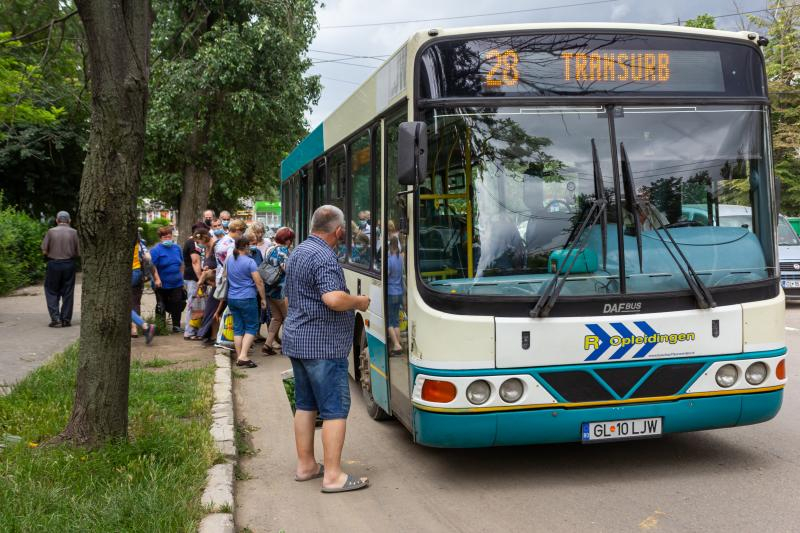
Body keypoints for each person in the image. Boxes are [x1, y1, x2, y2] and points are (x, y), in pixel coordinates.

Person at [283, 205, 370, 493]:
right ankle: (333, 476)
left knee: (306, 405)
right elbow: (333, 299)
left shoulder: (299, 251)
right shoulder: (324, 256)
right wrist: (358, 302)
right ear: (339, 231)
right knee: (334, 409)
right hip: (323, 345)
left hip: (298, 340)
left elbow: (290, 297)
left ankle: (306, 465)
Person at [224, 237, 267, 368]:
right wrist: (263, 298)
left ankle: (239, 357)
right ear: (246, 247)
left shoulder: (229, 259)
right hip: (247, 298)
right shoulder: (250, 262)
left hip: (232, 298)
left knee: (238, 328)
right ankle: (243, 356)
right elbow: (259, 282)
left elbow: (225, 275)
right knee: (251, 327)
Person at [41, 210, 79, 327]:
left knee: (51, 291)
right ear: (69, 221)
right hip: (69, 264)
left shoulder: (51, 232)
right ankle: (66, 320)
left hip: (53, 264)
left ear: (57, 220)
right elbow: (78, 252)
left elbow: (44, 251)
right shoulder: (74, 232)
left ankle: (55, 318)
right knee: (68, 292)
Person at [262, 226, 294, 356]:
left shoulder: (270, 249)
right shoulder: (283, 251)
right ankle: (286, 347)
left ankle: (268, 344)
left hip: (269, 289)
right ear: (288, 240)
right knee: (288, 318)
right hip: (281, 291)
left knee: (276, 317)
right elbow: (287, 268)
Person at [149, 226, 186, 332]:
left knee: (177, 303)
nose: (168, 239)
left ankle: (176, 326)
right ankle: (160, 327)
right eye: (165, 237)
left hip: (177, 282)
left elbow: (181, 264)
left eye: (169, 237)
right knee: (161, 305)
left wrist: (182, 278)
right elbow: (152, 266)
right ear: (160, 238)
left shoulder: (177, 248)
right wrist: (157, 279)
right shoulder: (156, 250)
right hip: (162, 283)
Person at [184, 227, 211, 340]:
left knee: (198, 305)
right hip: (194, 278)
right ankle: (189, 332)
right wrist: (201, 279)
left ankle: (196, 330)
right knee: (193, 304)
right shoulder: (192, 243)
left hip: (194, 278)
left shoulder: (194, 243)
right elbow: (195, 262)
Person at [386, 236, 404, 356]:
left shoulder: (390, 260)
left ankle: (396, 345)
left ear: (390, 246)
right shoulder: (400, 259)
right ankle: (398, 344)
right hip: (399, 292)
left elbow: (386, 275)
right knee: (396, 321)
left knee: (389, 322)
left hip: (391, 292)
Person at [131, 230, 150, 337]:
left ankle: (143, 326)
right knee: (135, 302)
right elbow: (148, 258)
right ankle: (135, 329)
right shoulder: (140, 244)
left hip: (129, 274)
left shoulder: (121, 244)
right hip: (138, 273)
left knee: (123, 304)